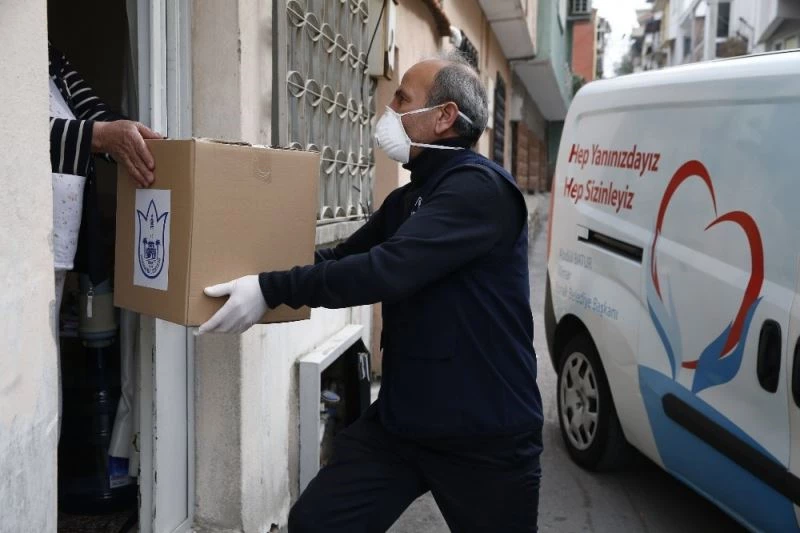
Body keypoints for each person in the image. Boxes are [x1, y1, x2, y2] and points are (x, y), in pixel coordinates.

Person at [199, 52, 543, 533]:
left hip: (483, 432)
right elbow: (342, 257)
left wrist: (271, 289)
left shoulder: (479, 191)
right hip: (406, 422)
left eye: (402, 98)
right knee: (316, 523)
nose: (389, 109)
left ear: (445, 116)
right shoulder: (408, 199)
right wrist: (251, 276)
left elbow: (386, 271)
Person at [49, 42, 162, 316]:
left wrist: (145, 145)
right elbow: (15, 129)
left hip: (58, 236)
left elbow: (90, 109)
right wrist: (99, 136)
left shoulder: (47, 51)